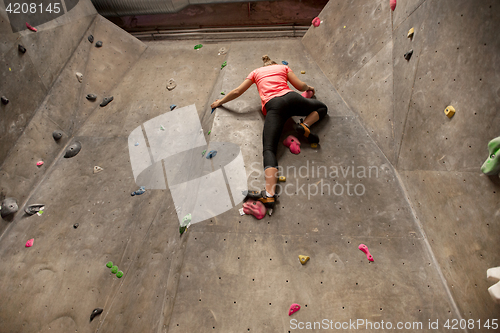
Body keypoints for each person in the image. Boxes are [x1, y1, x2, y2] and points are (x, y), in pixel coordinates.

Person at [211, 55, 328, 211]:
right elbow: (300, 86)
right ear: (274, 64)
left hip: (275, 105)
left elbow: (238, 91)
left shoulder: (255, 73)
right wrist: (309, 88)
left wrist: (220, 102)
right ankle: (305, 126)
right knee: (321, 108)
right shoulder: (283, 67)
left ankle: (269, 194)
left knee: (269, 149)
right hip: (292, 98)